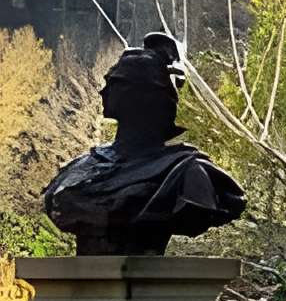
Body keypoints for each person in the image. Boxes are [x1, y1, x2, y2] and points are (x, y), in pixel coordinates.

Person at [43, 33, 246, 255]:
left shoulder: (187, 172)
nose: (103, 91)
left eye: (115, 83)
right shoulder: (79, 166)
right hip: (85, 273)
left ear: (144, 95)